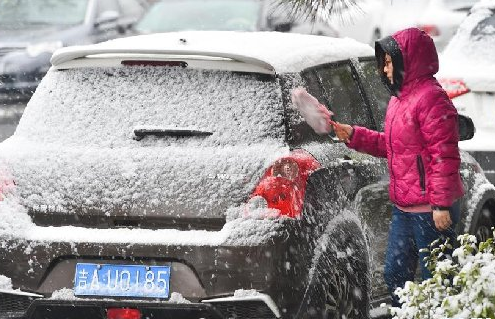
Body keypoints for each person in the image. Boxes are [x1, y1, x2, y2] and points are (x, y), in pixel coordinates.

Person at [332, 28, 464, 306]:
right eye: (384, 62)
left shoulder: (431, 98)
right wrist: (355, 135)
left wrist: (440, 204)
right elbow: (394, 147)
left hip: (431, 209)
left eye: (390, 61)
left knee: (437, 280)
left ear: (409, 60)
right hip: (404, 207)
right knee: (395, 276)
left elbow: (444, 154)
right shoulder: (398, 100)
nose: (384, 68)